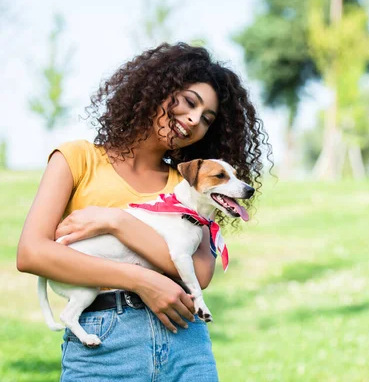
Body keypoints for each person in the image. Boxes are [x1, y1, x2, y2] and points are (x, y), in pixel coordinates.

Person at [16, 42, 271, 381]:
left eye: (207, 118)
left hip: (185, 346)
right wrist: (141, 279)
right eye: (190, 102)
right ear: (158, 90)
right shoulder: (77, 159)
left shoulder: (190, 187)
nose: (195, 119)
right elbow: (32, 253)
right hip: (104, 349)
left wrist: (117, 221)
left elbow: (200, 273)